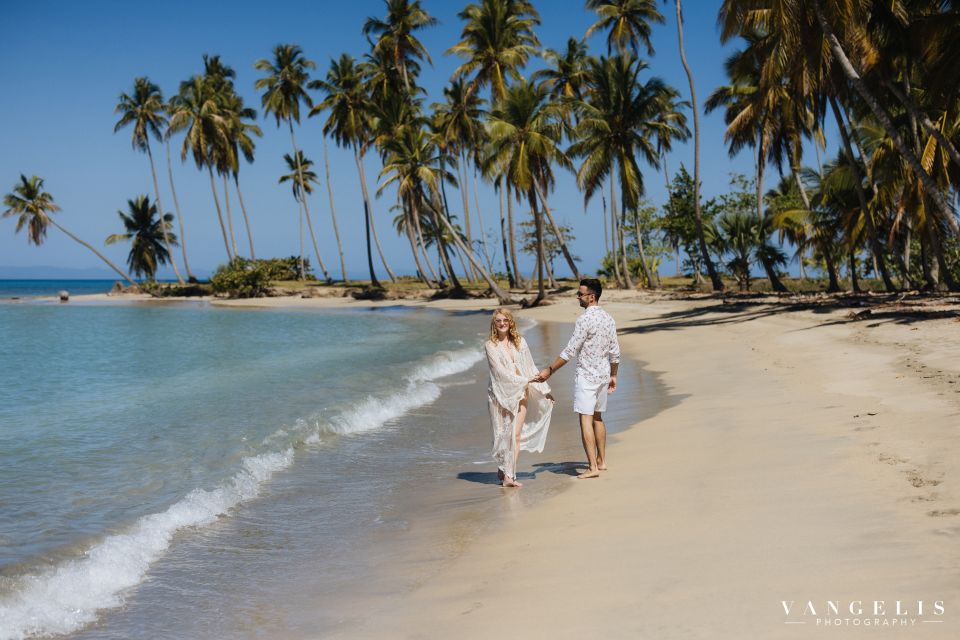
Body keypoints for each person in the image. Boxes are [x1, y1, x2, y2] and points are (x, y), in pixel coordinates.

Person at [534, 279, 620, 479]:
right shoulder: (609, 318)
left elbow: (570, 350)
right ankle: (601, 461)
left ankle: (592, 468)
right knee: (597, 417)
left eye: (580, 294)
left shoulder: (584, 320)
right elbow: (615, 352)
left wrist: (549, 370)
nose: (577, 297)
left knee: (585, 419)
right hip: (603, 375)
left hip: (587, 377)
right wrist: (614, 375)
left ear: (592, 297)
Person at [484, 308, 555, 488]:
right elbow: (499, 372)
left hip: (522, 391)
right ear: (494, 323)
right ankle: (503, 467)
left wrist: (544, 390)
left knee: (515, 434)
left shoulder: (520, 342)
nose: (502, 323)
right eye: (499, 320)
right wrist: (525, 380)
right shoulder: (490, 345)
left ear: (510, 322)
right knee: (502, 435)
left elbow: (530, 367)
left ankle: (509, 476)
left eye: (505, 320)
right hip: (500, 395)